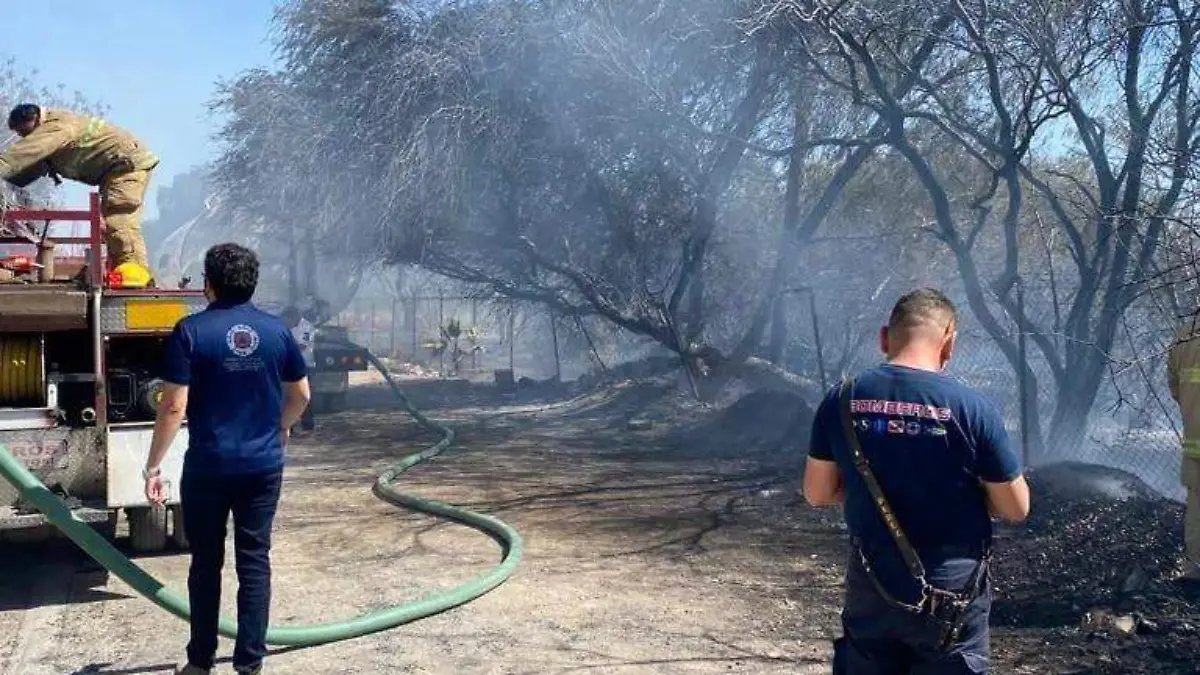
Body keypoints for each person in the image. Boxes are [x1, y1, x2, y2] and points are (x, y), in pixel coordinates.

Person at [804, 288, 1030, 674]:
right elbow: (1016, 507)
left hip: (873, 587)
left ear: (883, 337)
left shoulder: (840, 400)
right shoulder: (974, 410)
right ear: (949, 343)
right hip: (951, 598)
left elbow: (817, 492)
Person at [142, 243, 311, 675]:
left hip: (209, 467)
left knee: (206, 564)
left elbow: (174, 406)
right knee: (254, 561)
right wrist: (281, 428)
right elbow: (302, 395)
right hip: (262, 467)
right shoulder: (276, 332)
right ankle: (249, 664)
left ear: (208, 285)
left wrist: (153, 464)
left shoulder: (191, 331)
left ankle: (199, 663)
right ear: (252, 283)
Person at [0, 104, 159, 283]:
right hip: (119, 168)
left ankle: (135, 275)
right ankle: (124, 272)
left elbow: (21, 155)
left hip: (125, 167)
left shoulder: (54, 128)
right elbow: (25, 171)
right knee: (112, 224)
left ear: (35, 119)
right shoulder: (54, 131)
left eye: (23, 132)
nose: (24, 137)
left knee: (119, 220)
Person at [1167, 314, 1200, 583]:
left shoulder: (1185, 335)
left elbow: (1175, 388)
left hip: (1195, 441)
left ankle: (1195, 567)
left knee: (1197, 507)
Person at [281, 305, 316, 434]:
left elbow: (301, 346)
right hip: (288, 365)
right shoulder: (286, 326)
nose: (287, 323)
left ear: (294, 317)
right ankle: (290, 426)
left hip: (304, 365)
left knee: (303, 395)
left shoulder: (306, 327)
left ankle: (308, 425)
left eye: (288, 320)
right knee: (288, 397)